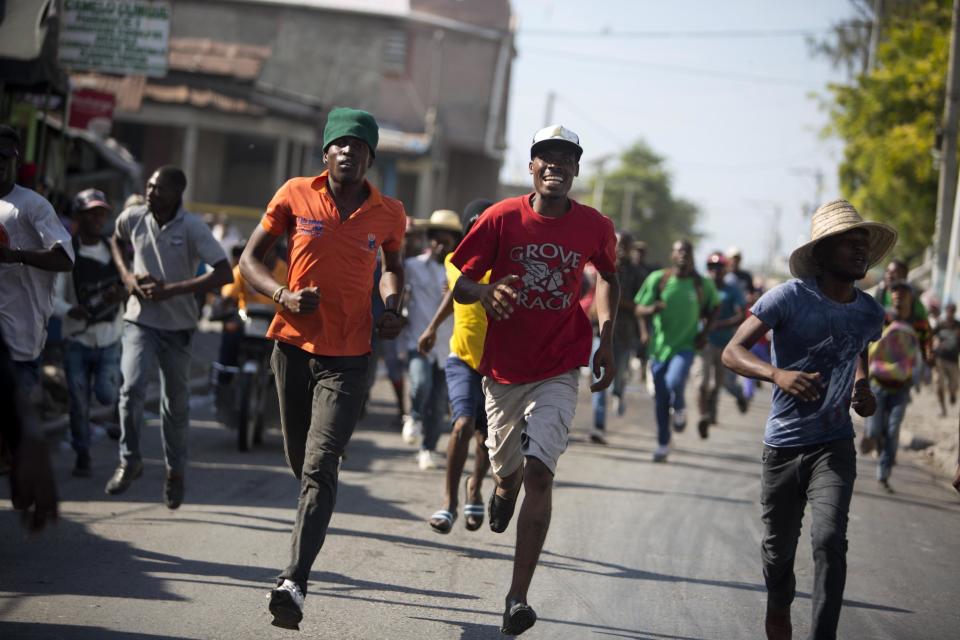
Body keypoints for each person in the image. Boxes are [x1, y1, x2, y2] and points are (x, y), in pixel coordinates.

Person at [238, 107, 406, 630]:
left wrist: (394, 306)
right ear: (326, 152)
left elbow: (392, 269)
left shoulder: (389, 213)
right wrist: (283, 294)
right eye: (341, 145)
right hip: (290, 347)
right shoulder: (294, 193)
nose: (350, 153)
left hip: (350, 356)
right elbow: (249, 260)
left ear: (371, 157)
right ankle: (324, 465)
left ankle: (293, 580)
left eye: (360, 147)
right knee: (301, 461)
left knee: (318, 466)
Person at [451, 124, 618, 636]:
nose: (555, 166)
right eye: (546, 157)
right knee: (509, 471)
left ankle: (516, 598)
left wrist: (605, 338)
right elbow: (459, 281)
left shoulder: (593, 225)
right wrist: (484, 293)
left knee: (541, 472)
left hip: (561, 363)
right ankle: (503, 487)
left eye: (565, 159)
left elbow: (609, 276)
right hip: (503, 368)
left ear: (574, 170)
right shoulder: (501, 218)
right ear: (531, 167)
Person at [722, 199, 895, 640]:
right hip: (783, 445)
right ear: (821, 254)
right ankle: (779, 606)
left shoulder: (870, 311)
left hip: (834, 443)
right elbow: (732, 352)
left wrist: (862, 387)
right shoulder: (788, 297)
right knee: (778, 553)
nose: (860, 252)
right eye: (848, 244)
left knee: (829, 541)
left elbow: (858, 349)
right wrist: (777, 373)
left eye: (864, 245)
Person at [106, 167, 233, 508]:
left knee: (174, 405)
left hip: (178, 328)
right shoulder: (133, 216)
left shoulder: (192, 227)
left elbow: (223, 272)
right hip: (139, 321)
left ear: (177, 192)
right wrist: (127, 276)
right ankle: (129, 460)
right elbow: (115, 239)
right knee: (130, 389)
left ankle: (175, 473)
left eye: (159, 188)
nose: (151, 192)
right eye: (149, 185)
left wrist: (172, 291)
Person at [420, 198, 494, 533]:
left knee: (487, 437)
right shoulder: (455, 260)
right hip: (461, 358)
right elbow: (453, 294)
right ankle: (449, 503)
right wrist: (432, 327)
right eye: (473, 226)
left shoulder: (507, 263)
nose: (478, 231)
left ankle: (475, 487)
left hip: (498, 364)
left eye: (486, 226)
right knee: (463, 425)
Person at [52, 189, 126, 477]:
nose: (97, 219)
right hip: (77, 340)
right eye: (91, 213)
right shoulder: (66, 253)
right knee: (78, 403)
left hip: (109, 338)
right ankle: (82, 453)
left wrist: (123, 293)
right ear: (78, 217)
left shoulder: (115, 251)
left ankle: (112, 409)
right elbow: (53, 298)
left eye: (101, 213)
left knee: (107, 395)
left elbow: (130, 285)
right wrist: (71, 310)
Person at [0, 125, 75, 397]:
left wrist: (16, 256)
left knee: (16, 425)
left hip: (19, 339)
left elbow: (65, 259)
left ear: (17, 161)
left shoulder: (34, 206)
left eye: (4, 157)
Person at [635, 239, 719, 462]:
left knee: (675, 382)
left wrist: (704, 333)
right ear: (672, 255)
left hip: (686, 345)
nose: (683, 255)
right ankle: (663, 443)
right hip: (659, 348)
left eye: (687, 251)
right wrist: (648, 322)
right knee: (661, 399)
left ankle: (680, 407)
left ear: (692, 256)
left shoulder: (701, 284)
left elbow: (715, 306)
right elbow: (639, 308)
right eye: (678, 251)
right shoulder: (659, 279)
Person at [400, 209, 461, 469]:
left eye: (446, 240)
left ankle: (427, 448)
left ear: (454, 243)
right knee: (420, 383)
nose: (439, 244)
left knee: (438, 405)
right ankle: (413, 416)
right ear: (429, 239)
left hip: (448, 345)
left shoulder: (459, 272)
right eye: (436, 238)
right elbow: (393, 263)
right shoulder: (413, 266)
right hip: (418, 340)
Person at [863, 281, 921, 493]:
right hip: (878, 382)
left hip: (902, 386)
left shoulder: (918, 323)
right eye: (895, 292)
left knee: (893, 429)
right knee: (876, 429)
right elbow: (867, 343)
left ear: (910, 297)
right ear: (889, 295)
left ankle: (883, 474)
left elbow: (922, 351)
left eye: (903, 293)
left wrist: (917, 376)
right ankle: (873, 438)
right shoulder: (881, 315)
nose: (898, 297)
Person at [696, 251, 748, 439]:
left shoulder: (731, 289)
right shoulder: (702, 286)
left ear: (725, 270)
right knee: (702, 382)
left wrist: (722, 324)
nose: (715, 271)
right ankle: (704, 416)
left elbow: (743, 314)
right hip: (705, 340)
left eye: (719, 268)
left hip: (724, 342)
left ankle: (717, 409)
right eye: (711, 267)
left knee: (719, 383)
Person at [933, 302, 960, 416]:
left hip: (953, 360)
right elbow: (932, 336)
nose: (950, 313)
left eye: (952, 311)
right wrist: (935, 343)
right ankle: (943, 409)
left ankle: (952, 394)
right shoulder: (941, 324)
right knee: (939, 385)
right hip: (940, 358)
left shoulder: (958, 325)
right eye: (949, 310)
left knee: (954, 385)